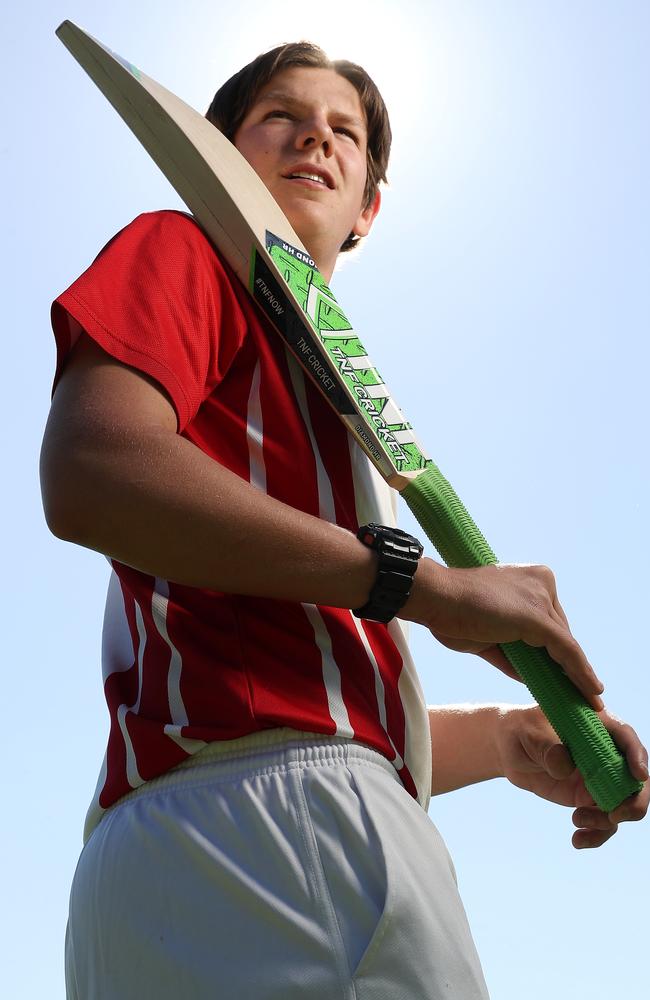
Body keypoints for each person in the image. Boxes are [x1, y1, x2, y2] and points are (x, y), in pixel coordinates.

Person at [41, 42, 648, 1000]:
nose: (316, 132)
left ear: (368, 208)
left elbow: (316, 703)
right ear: (220, 151)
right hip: (277, 840)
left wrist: (501, 736)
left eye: (347, 132)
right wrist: (427, 586)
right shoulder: (187, 249)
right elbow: (92, 471)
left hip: (236, 837)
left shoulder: (338, 402)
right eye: (280, 114)